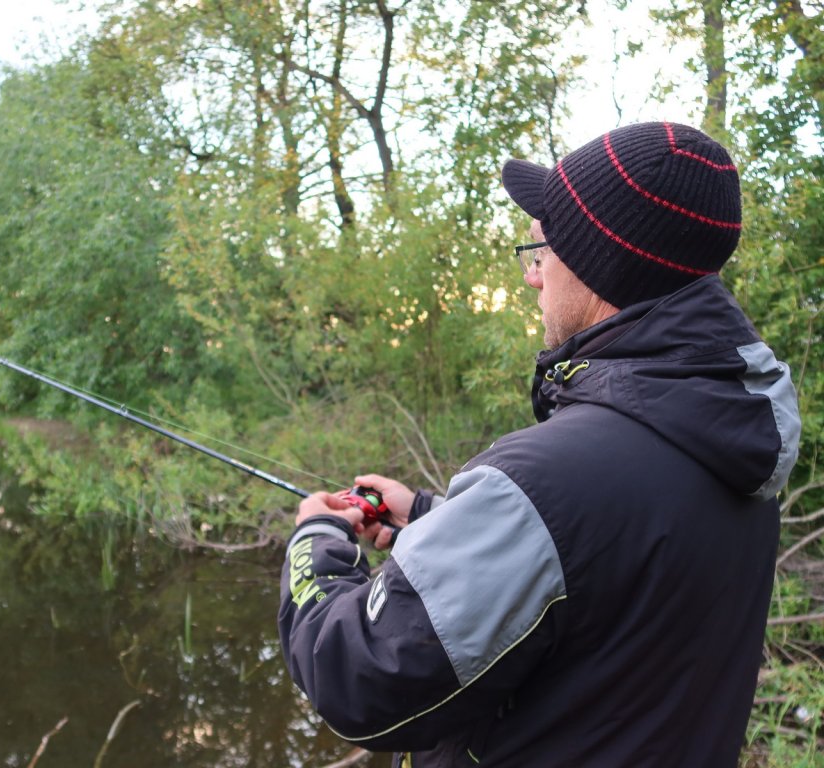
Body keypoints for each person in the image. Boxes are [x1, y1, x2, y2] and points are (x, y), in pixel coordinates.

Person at [277, 121, 802, 767]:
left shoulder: (550, 478)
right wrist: (435, 518)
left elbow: (357, 679)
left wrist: (318, 539)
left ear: (599, 266)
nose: (534, 277)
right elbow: (614, 563)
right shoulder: (733, 434)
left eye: (542, 250)